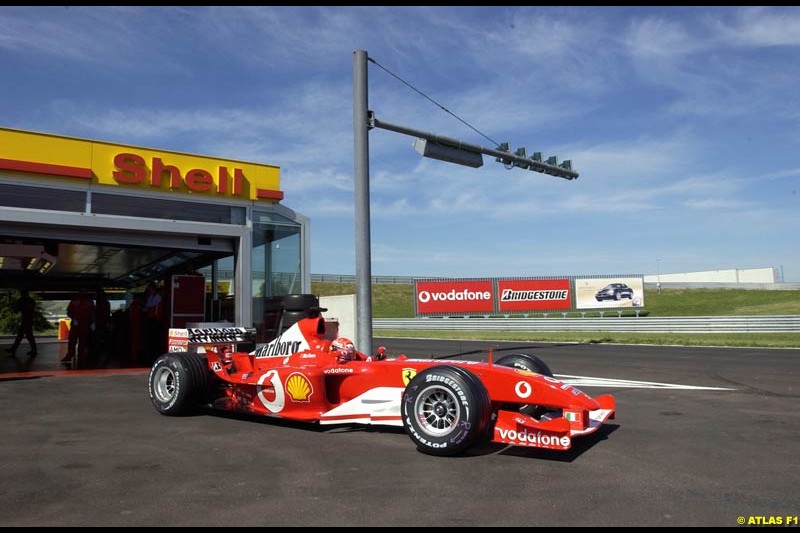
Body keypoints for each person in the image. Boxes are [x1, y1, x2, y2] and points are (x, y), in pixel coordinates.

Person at [65, 288, 95, 365]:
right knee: (72, 341)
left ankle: (80, 356)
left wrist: (92, 322)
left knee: (83, 342)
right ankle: (70, 355)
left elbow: (93, 313)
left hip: (85, 324)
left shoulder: (90, 302)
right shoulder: (75, 301)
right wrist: (73, 318)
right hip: (76, 324)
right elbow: (69, 311)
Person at [8, 289, 37, 357]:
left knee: (22, 335)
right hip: (29, 319)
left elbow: (17, 309)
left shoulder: (22, 300)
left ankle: (14, 349)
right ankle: (33, 350)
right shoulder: (31, 300)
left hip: (25, 319)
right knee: (28, 335)